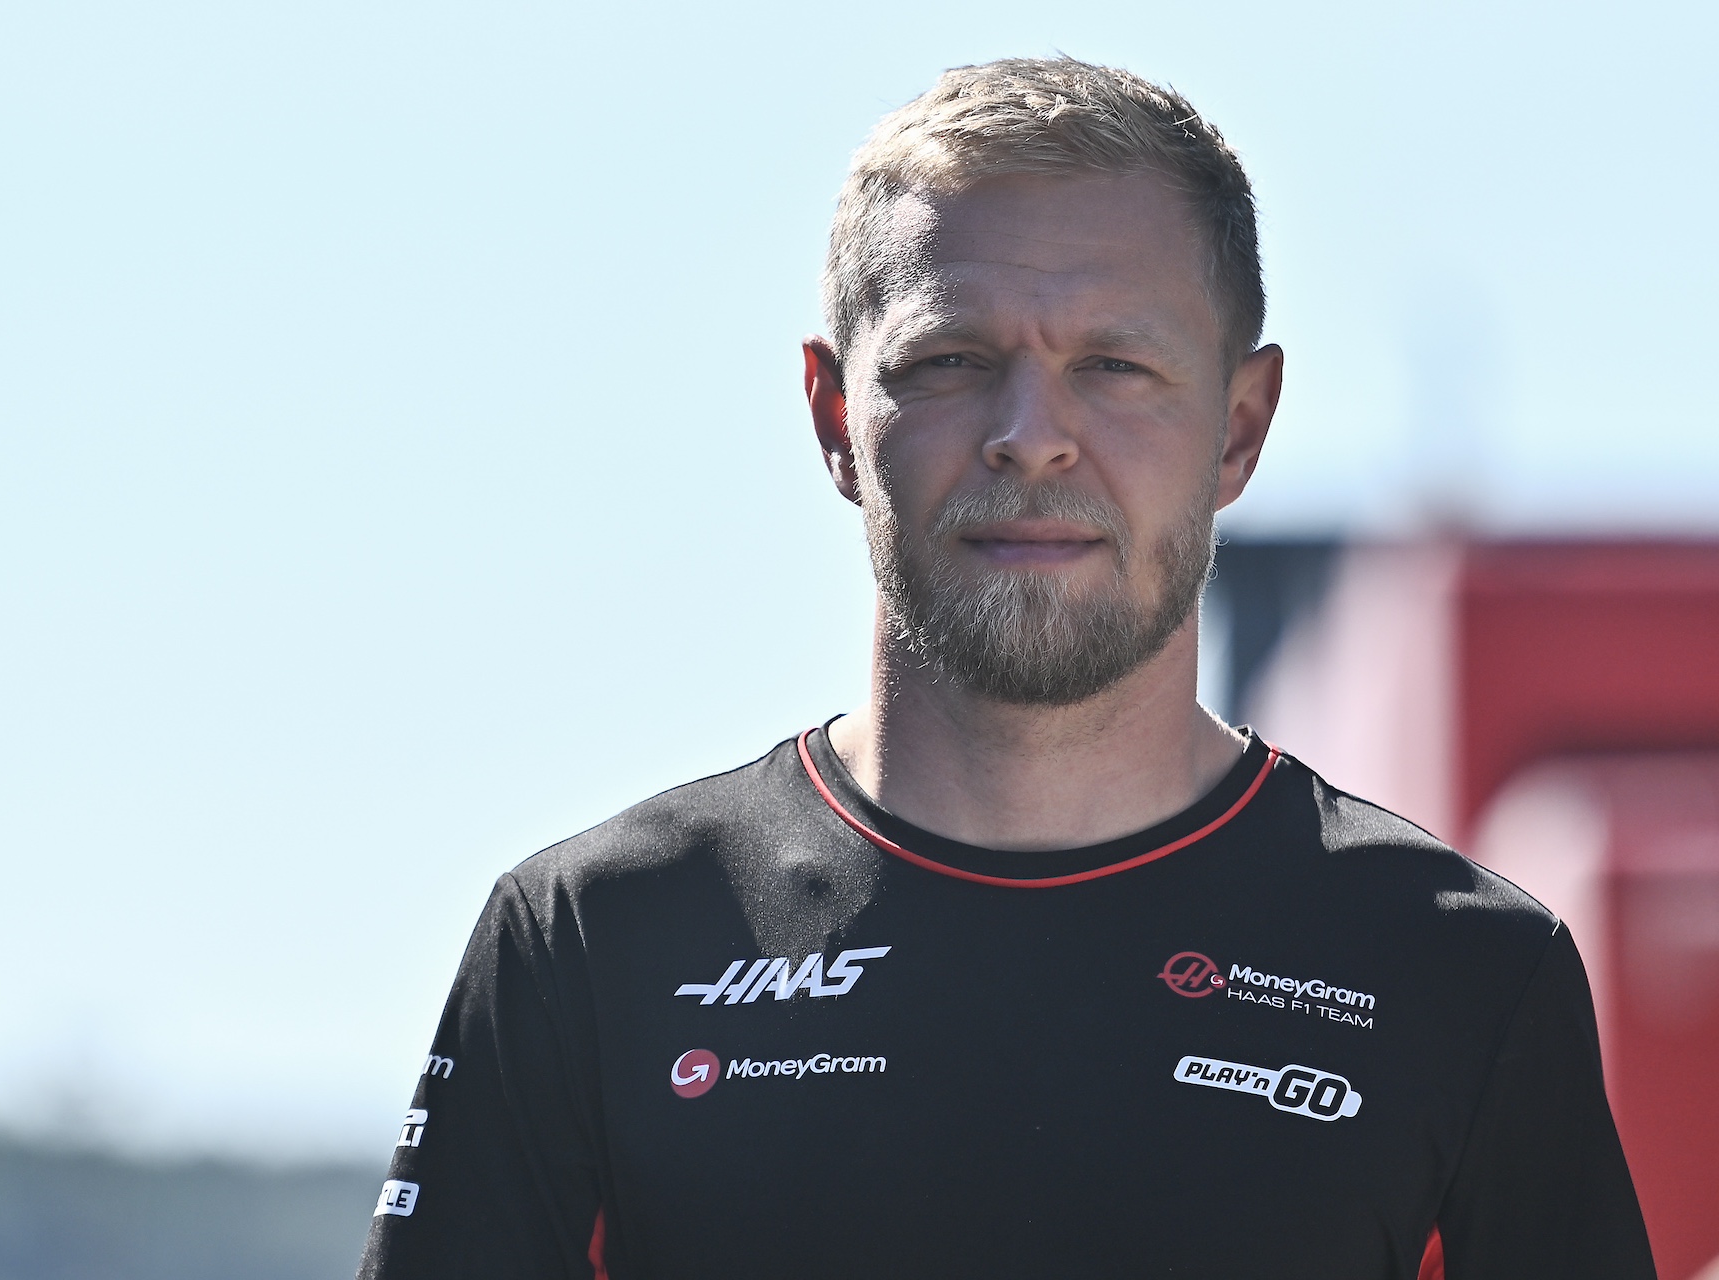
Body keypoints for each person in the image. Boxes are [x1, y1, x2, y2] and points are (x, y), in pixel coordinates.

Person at [356, 57, 1654, 1279]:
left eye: (1117, 367)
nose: (1032, 438)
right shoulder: (590, 946)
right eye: (951, 363)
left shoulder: (1466, 977)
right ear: (833, 420)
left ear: (1239, 428)